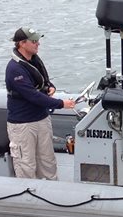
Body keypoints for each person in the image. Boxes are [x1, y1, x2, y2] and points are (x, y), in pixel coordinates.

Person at [6, 26, 75, 180]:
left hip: (41, 119)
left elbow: (44, 80)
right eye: (34, 41)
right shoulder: (14, 69)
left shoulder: (34, 60)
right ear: (22, 43)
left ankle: (52, 191)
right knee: (26, 165)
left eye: (38, 41)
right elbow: (32, 95)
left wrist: (51, 87)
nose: (38, 44)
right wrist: (61, 104)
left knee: (48, 161)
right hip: (23, 124)